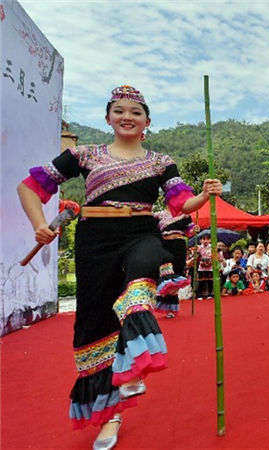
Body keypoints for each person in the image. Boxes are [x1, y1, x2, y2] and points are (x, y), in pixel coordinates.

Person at [16, 85, 223, 448]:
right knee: (95, 323)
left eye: (136, 112)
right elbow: (29, 188)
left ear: (147, 122)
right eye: (119, 110)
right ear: (108, 117)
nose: (127, 117)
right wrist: (38, 223)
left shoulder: (161, 161)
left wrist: (204, 195)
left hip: (141, 232)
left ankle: (134, 361)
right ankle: (110, 415)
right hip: (94, 240)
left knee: (142, 276)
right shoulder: (84, 154)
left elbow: (180, 202)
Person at [153, 210, 196, 318]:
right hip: (165, 245)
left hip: (180, 245)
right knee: (167, 275)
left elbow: (190, 232)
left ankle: (170, 308)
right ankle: (165, 304)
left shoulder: (185, 216)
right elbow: (153, 230)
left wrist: (195, 229)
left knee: (177, 273)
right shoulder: (158, 215)